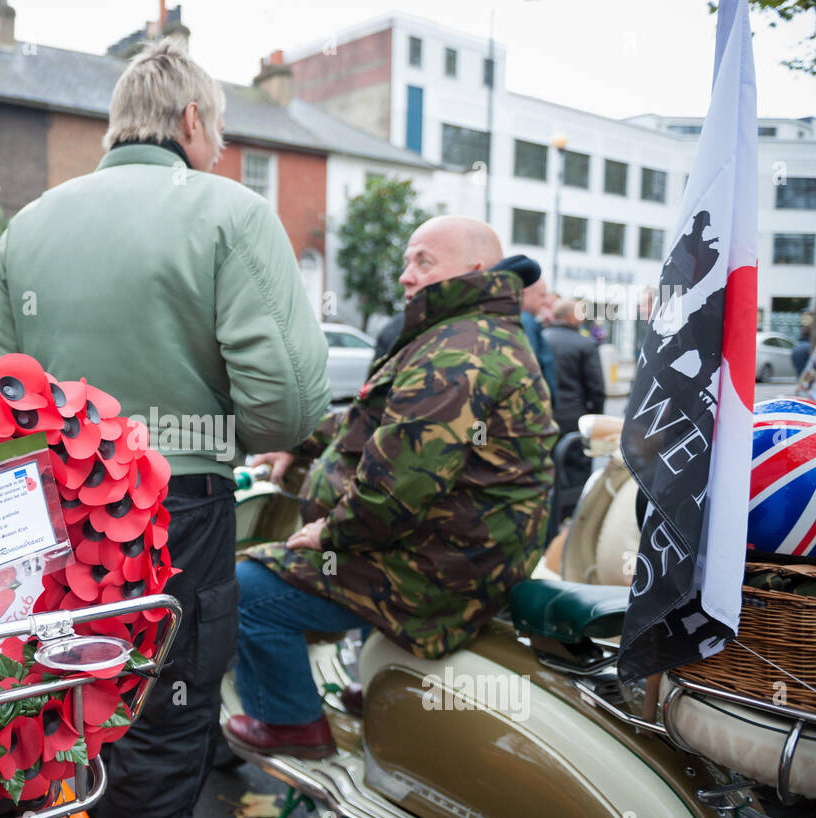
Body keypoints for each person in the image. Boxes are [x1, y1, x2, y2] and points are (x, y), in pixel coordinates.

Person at [0, 36, 331, 818]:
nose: (224, 148)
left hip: (46, 515)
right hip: (174, 510)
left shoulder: (31, 222)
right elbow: (286, 409)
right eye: (221, 129)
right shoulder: (229, 213)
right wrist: (209, 434)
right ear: (191, 119)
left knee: (50, 707)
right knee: (160, 725)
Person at [224, 214, 557, 758]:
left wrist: (328, 532)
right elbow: (374, 429)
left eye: (423, 261)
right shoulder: (464, 336)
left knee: (248, 590)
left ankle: (288, 723)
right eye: (407, 260)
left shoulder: (459, 353)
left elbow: (395, 494)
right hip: (455, 550)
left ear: (474, 270)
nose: (406, 275)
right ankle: (375, 688)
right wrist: (300, 444)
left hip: (441, 567)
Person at [542, 298, 606, 485]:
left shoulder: (541, 339)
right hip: (574, 417)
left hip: (545, 414)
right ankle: (571, 512)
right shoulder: (585, 344)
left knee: (547, 467)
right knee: (577, 470)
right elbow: (596, 387)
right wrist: (595, 417)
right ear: (571, 316)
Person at [518, 273, 558, 403]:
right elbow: (531, 366)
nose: (545, 301)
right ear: (525, 293)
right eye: (541, 295)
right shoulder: (526, 321)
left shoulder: (526, 321)